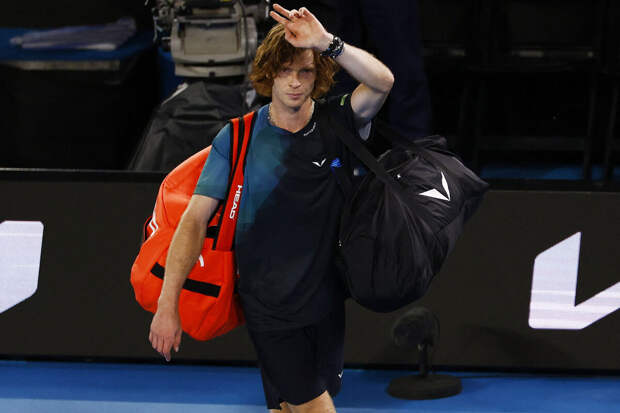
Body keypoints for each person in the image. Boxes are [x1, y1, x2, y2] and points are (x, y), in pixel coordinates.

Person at [148, 4, 394, 412]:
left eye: (305, 72)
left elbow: (383, 81)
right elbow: (193, 222)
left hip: (327, 304)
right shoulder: (238, 137)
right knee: (315, 408)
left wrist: (326, 42)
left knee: (287, 408)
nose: (295, 82)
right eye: (284, 71)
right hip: (269, 309)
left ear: (318, 75)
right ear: (268, 73)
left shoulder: (338, 123)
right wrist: (166, 305)